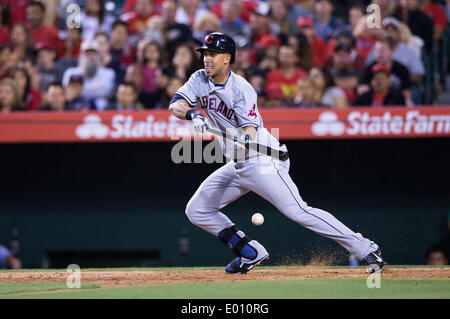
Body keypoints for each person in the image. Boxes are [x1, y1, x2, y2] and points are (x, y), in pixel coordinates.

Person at [168, 32, 384, 274]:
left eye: (213, 54)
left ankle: (366, 248)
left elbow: (249, 128)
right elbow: (176, 104)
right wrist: (193, 114)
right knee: (197, 209)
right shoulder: (199, 78)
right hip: (237, 165)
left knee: (299, 211)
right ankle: (250, 251)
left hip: (263, 160)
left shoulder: (241, 88)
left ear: (227, 59)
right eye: (205, 54)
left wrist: (244, 140)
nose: (206, 59)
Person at [62, 39, 116, 110]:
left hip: (101, 110)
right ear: (81, 55)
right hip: (75, 109)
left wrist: (78, 92)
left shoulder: (108, 73)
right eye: (87, 53)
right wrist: (98, 92)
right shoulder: (70, 72)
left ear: (98, 55)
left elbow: (106, 91)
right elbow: (67, 94)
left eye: (93, 53)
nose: (90, 56)